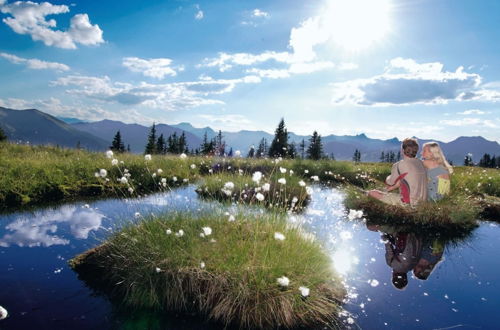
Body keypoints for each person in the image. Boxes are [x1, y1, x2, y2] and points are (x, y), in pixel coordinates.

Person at [368, 138, 427, 206]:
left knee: (372, 193)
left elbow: (390, 182)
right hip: (422, 203)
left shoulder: (399, 165)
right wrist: (391, 188)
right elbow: (409, 179)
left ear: (402, 150)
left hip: (408, 204)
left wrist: (388, 177)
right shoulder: (421, 163)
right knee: (389, 193)